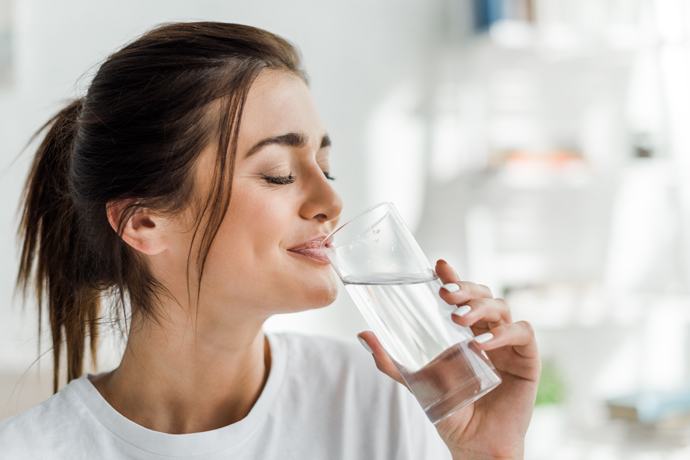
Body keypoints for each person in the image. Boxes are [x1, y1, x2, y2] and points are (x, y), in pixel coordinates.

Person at [0, 22, 540, 459]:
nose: (330, 201)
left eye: (325, 167)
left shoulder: (384, 397)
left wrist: (488, 454)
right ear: (144, 222)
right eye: (280, 173)